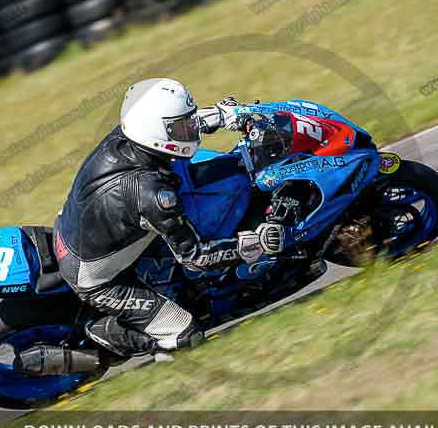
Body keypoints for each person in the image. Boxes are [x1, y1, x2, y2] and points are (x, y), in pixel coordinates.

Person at [53, 78, 285, 358]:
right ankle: (108, 332)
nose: (190, 129)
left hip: (73, 229)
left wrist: (222, 115)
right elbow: (196, 257)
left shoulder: (127, 135)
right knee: (188, 335)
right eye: (182, 126)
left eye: (187, 122)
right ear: (157, 132)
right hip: (96, 280)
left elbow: (164, 128)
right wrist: (255, 245)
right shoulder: (152, 194)